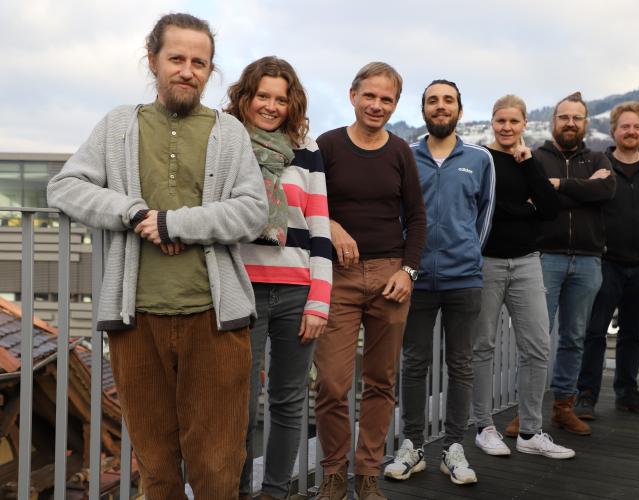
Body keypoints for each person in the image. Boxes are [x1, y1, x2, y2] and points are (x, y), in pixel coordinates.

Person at [46, 13, 268, 499]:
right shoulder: (119, 125)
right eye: (177, 59)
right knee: (157, 467)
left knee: (216, 467)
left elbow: (254, 211)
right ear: (153, 60)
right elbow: (64, 187)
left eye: (199, 62)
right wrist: (132, 211)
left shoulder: (228, 132)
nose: (188, 70)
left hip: (215, 320)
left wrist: (176, 223)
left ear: (210, 71)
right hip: (136, 320)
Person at [313, 62, 426, 500]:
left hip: (389, 276)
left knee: (381, 381)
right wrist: (330, 225)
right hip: (336, 277)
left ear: (395, 104)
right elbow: (310, 203)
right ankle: (333, 472)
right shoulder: (328, 146)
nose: (377, 105)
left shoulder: (400, 151)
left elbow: (417, 217)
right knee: (332, 384)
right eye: (370, 96)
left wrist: (408, 271)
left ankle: (367, 474)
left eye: (387, 99)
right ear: (352, 95)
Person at [225, 56, 333, 500]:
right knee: (240, 406)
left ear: (293, 104)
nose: (271, 106)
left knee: (289, 403)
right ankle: (239, 492)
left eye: (280, 99)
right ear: (245, 98)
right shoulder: (225, 145)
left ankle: (275, 493)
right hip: (240, 288)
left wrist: (319, 300)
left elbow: (321, 226)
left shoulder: (306, 152)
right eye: (262, 96)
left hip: (296, 291)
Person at [385, 80, 494, 485]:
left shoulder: (480, 158)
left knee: (460, 364)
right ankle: (412, 445)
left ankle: (454, 448)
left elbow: (485, 215)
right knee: (414, 363)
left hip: (463, 278)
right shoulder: (406, 156)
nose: (440, 106)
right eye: (433, 100)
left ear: (460, 110)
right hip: (415, 278)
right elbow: (398, 213)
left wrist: (468, 254)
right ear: (424, 110)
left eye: (448, 100)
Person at [471, 95, 575, 459]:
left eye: (514, 122)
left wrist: (529, 165)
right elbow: (487, 204)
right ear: (492, 121)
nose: (506, 127)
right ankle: (484, 427)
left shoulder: (530, 160)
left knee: (537, 347)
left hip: (528, 262)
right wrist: (524, 209)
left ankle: (530, 432)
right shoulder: (480, 158)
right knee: (481, 346)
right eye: (501, 121)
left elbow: (550, 209)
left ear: (524, 124)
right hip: (486, 262)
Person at [576, 101, 639, 419]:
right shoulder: (598, 166)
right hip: (605, 263)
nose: (631, 131)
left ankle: (627, 393)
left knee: (633, 332)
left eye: (637, 126)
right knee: (595, 332)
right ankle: (586, 394)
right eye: (625, 126)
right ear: (614, 131)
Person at [535, 91, 615, 436]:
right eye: (564, 117)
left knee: (574, 338)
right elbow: (537, 200)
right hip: (544, 258)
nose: (570, 123)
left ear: (585, 123)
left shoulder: (599, 158)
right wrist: (582, 190)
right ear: (554, 122)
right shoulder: (535, 159)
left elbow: (606, 192)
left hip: (587, 261)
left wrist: (560, 185)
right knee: (536, 338)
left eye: (576, 118)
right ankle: (526, 412)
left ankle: (563, 407)